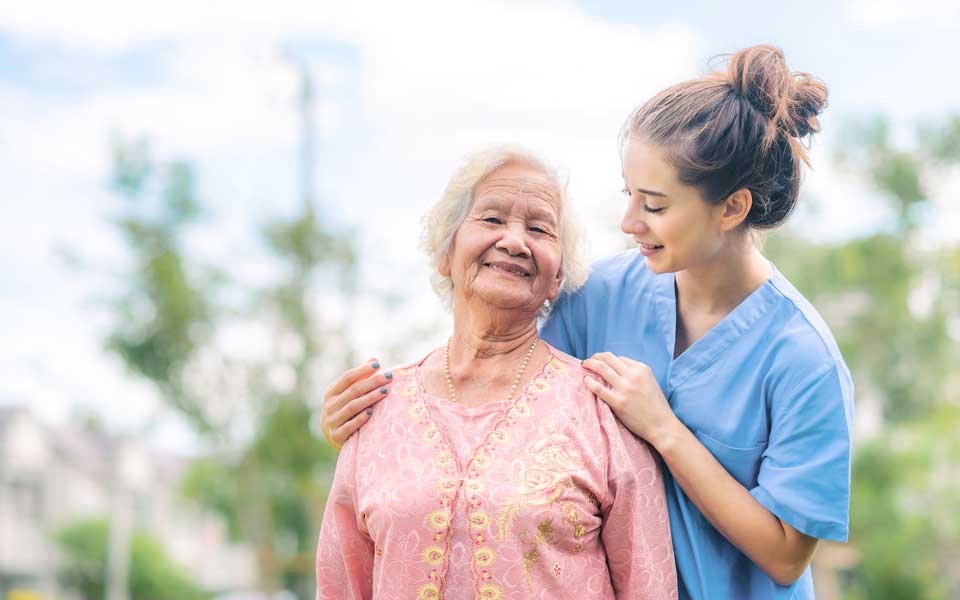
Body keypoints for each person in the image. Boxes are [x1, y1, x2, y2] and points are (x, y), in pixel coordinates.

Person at [322, 45, 854, 599]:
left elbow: (787, 555)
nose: (628, 222)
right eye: (630, 195)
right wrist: (379, 430)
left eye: (654, 205)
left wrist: (665, 430)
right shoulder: (598, 296)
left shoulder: (803, 358)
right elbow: (499, 379)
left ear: (732, 208)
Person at [315, 147, 678, 599]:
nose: (514, 241)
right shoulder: (375, 412)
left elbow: (650, 585)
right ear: (445, 253)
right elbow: (341, 586)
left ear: (557, 278)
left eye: (539, 229)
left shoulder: (603, 411)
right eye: (491, 220)